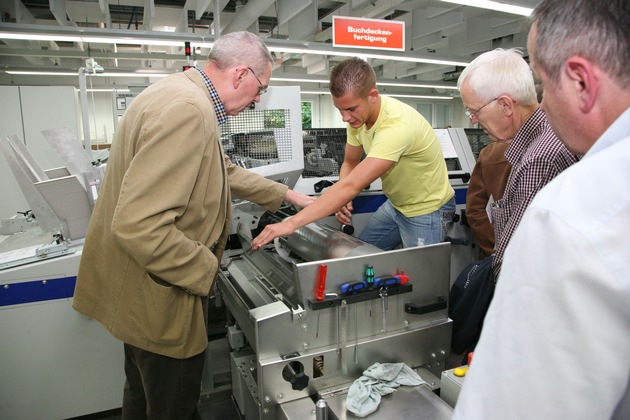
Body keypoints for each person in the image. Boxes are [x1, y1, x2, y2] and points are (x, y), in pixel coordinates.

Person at [72, 31, 314, 419]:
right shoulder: (189, 110)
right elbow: (139, 225)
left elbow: (222, 168)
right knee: (173, 406)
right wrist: (208, 269)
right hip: (159, 301)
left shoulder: (174, 92)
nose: (256, 100)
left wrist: (287, 195)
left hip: (134, 292)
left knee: (140, 397)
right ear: (240, 75)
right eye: (259, 89)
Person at [452, 0, 630, 418]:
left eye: (546, 87)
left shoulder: (561, 201)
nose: (544, 105)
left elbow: (518, 400)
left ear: (582, 82)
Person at [251, 57, 455, 251]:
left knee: (422, 279)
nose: (345, 118)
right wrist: (343, 199)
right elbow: (349, 162)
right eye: (340, 110)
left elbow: (351, 186)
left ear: (373, 96)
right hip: (396, 206)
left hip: (427, 210)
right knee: (361, 254)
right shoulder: (358, 118)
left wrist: (292, 224)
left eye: (350, 109)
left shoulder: (397, 126)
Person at [457, 48, 577, 278]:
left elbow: (512, 261)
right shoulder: (547, 136)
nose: (473, 120)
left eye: (474, 111)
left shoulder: (538, 160)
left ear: (505, 105)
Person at [465, 141, 511, 259]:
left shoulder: (491, 153)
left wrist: (494, 249)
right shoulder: (555, 148)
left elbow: (475, 209)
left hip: (495, 253)